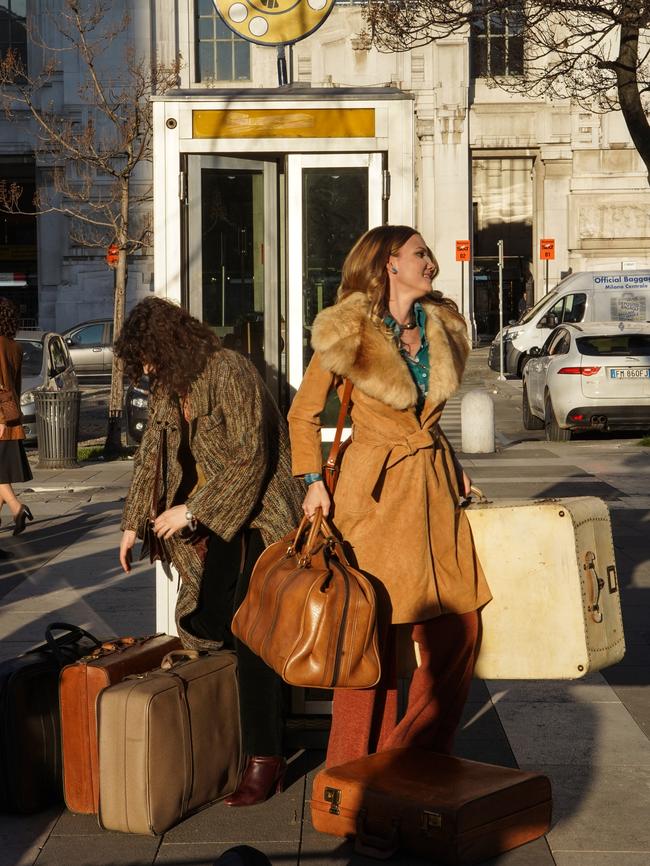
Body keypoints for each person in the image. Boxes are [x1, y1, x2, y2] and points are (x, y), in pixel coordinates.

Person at [288, 225, 492, 767]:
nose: (432, 262)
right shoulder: (349, 332)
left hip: (434, 493)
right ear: (389, 264)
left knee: (461, 630)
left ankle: (408, 757)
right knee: (369, 646)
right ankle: (350, 773)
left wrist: (454, 465)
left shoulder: (441, 327)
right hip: (372, 501)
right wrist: (312, 485)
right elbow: (302, 414)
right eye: (421, 253)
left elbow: (426, 420)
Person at [116, 297, 304, 806]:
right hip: (217, 523)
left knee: (248, 630)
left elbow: (251, 459)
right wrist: (133, 523)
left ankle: (266, 758)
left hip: (261, 515)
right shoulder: (168, 387)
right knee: (208, 621)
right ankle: (236, 734)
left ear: (167, 345)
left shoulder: (229, 370)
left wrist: (191, 511)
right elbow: (151, 454)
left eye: (148, 358)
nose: (146, 369)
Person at [0, 297, 33, 544]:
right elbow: (14, 386)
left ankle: (17, 507)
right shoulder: (15, 347)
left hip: (0, 419)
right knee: (2, 476)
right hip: (11, 418)